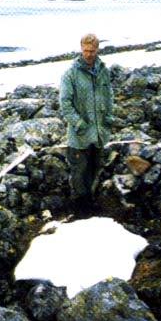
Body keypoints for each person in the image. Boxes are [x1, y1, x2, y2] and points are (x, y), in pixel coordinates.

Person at [59, 33, 114, 215]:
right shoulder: (70, 74)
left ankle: (91, 203)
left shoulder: (103, 71)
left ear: (97, 49)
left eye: (92, 51)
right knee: (79, 172)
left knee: (94, 168)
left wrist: (109, 117)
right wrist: (78, 123)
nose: (88, 54)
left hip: (98, 133)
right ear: (81, 49)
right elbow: (65, 104)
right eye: (85, 50)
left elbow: (108, 95)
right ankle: (79, 208)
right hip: (80, 134)